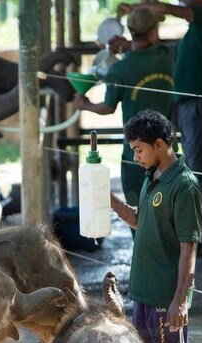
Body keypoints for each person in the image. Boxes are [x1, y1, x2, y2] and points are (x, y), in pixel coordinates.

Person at [110, 109, 202, 343]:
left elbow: (188, 248)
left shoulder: (184, 186)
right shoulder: (153, 177)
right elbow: (140, 221)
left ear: (161, 145)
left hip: (167, 298)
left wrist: (180, 299)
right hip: (143, 294)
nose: (136, 157)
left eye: (139, 150)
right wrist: (114, 205)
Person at [119, 0, 202, 256]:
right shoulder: (195, 31)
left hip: (199, 103)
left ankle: (201, 242)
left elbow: (167, 10)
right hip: (189, 105)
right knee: (191, 169)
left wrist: (139, 7)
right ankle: (193, 238)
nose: (180, 2)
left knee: (199, 171)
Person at [75, 6, 175, 212]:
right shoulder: (169, 57)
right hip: (167, 151)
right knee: (169, 211)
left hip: (136, 156)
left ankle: (140, 244)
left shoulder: (119, 70)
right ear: (154, 31)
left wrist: (85, 105)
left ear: (130, 33)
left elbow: (108, 108)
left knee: (138, 211)